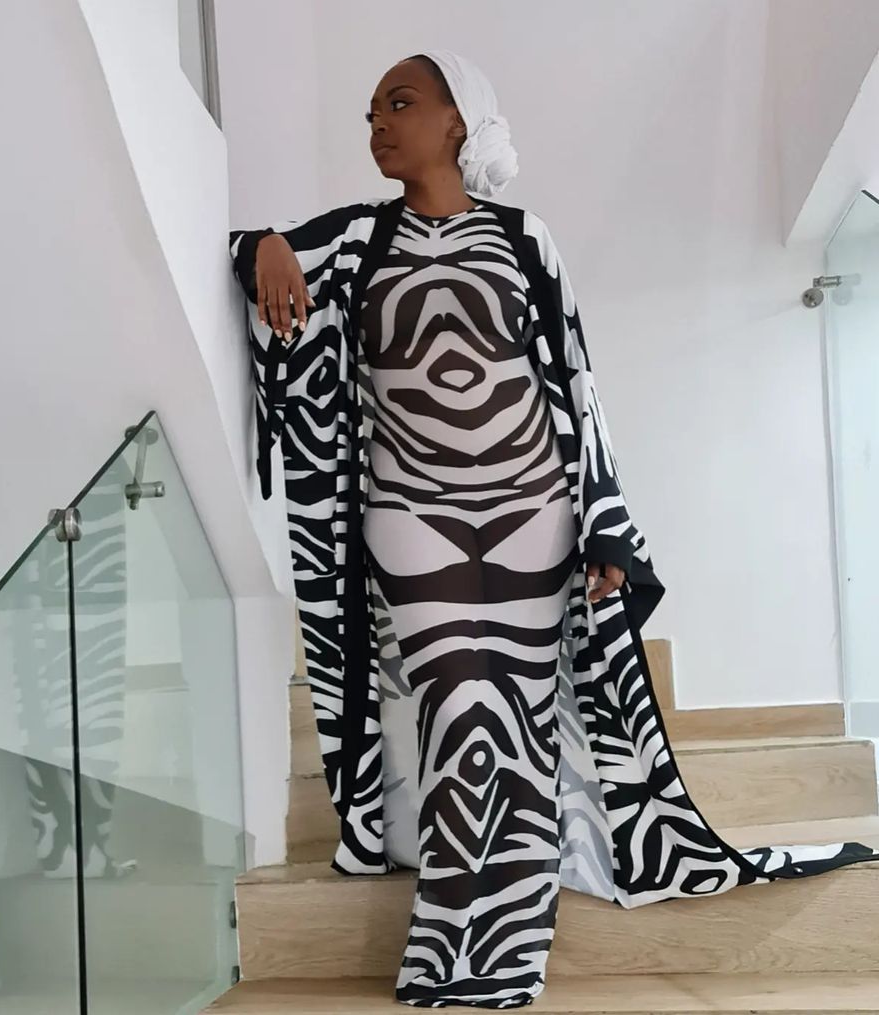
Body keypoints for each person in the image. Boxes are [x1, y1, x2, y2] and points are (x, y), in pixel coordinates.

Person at [229, 49, 879, 1009]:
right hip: (410, 512)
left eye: (400, 104)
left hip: (533, 508)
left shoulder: (524, 237)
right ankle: (446, 945)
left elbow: (574, 381)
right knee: (459, 711)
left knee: (520, 723)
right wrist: (262, 246)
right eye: (370, 112)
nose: (379, 124)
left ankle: (504, 950)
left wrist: (604, 525)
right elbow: (254, 257)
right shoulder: (357, 238)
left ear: (460, 121)